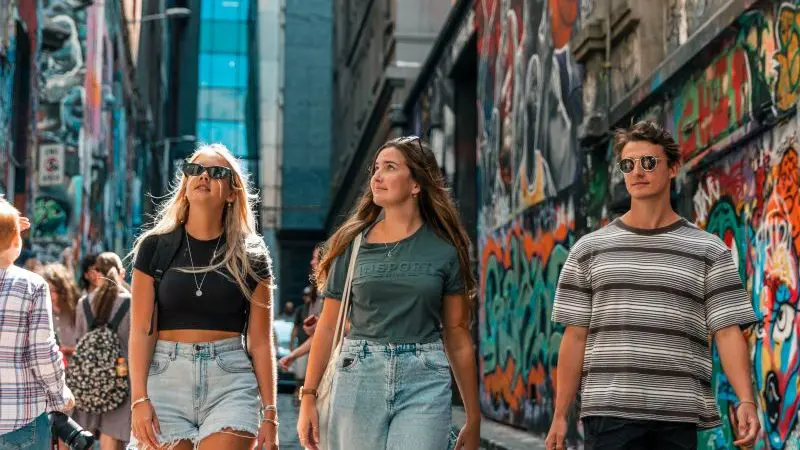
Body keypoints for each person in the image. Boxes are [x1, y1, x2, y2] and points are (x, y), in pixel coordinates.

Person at [545, 120, 760, 450]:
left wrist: (746, 399)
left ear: (673, 168)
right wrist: (560, 415)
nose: (637, 172)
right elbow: (575, 336)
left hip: (677, 411)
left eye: (648, 162)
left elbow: (727, 331)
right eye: (628, 165)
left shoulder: (708, 250)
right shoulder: (589, 250)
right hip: (609, 410)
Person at [296, 136, 481, 450]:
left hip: (425, 378)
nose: (376, 177)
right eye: (376, 169)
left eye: (390, 168)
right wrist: (308, 397)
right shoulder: (351, 245)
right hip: (359, 375)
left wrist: (474, 417)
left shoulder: (446, 250)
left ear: (416, 184)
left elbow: (458, 335)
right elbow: (328, 327)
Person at [128, 143, 277, 450]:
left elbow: (261, 341)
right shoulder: (154, 247)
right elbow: (141, 330)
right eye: (195, 170)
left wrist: (270, 414)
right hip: (165, 378)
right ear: (185, 183)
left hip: (230, 379)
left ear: (232, 193)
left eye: (216, 172)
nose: (203, 176)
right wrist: (139, 399)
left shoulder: (251, 255)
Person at [0, 199, 75, 449]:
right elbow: (41, 352)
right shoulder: (30, 285)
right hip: (19, 419)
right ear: (15, 241)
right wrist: (59, 396)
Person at [72, 252, 132, 450]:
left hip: (90, 374)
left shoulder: (84, 304)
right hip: (121, 370)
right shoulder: (130, 302)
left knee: (86, 430)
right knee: (112, 430)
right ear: (121, 274)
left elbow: (79, 340)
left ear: (95, 273)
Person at [40, 263, 81, 362]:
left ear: (62, 290)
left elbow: (87, 345)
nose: (48, 294)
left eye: (52, 290)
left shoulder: (77, 309)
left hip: (76, 368)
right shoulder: (42, 311)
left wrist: (69, 349)